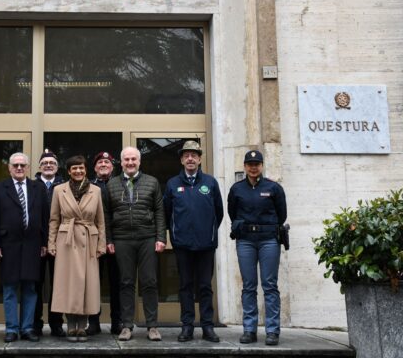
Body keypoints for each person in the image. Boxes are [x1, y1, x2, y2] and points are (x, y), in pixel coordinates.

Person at [163, 140, 223, 343]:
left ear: (199, 159)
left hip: (206, 245)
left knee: (205, 286)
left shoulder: (210, 183)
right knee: (185, 286)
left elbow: (219, 213)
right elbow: (167, 213)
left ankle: (207, 326)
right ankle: (187, 326)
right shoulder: (172, 184)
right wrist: (177, 235)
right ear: (181, 159)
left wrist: (208, 232)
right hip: (183, 246)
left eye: (194, 155)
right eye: (186, 155)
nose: (190, 158)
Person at [105, 146, 166, 342]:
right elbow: (106, 215)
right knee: (125, 283)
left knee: (149, 282)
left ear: (139, 161)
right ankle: (127, 326)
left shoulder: (152, 182)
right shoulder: (112, 184)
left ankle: (152, 326)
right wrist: (109, 240)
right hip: (122, 239)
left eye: (133, 159)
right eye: (126, 159)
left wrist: (160, 238)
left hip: (147, 237)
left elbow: (159, 211)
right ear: (121, 162)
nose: (130, 163)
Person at [0, 152, 50, 343]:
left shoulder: (38, 188)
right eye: (15, 165)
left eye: (23, 165)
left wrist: (45, 242)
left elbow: (45, 218)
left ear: (28, 167)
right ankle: (12, 329)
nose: (19, 168)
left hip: (33, 246)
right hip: (8, 246)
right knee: (10, 289)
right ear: (9, 168)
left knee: (31, 289)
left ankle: (27, 328)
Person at [228, 150, 287, 346]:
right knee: (248, 286)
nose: (253, 167)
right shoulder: (236, 189)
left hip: (268, 240)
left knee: (270, 285)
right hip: (245, 240)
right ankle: (249, 330)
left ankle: (272, 331)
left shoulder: (274, 187)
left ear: (262, 166)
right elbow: (232, 212)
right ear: (245, 166)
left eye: (257, 163)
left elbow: (282, 214)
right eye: (250, 164)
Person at [48, 155, 106, 342]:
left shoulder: (96, 191)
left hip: (89, 240)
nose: (78, 171)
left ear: (86, 169)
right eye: (74, 168)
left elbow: (100, 221)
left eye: (81, 168)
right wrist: (51, 243)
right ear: (69, 171)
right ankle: (71, 326)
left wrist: (101, 244)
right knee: (68, 284)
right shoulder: (59, 190)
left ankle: (83, 326)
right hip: (66, 240)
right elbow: (54, 219)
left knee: (87, 283)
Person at [87, 151, 122, 336]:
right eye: (100, 162)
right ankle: (94, 321)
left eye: (107, 162)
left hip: (117, 241)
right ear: (94, 167)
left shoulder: (120, 185)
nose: (103, 165)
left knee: (117, 283)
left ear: (112, 167)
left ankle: (117, 321)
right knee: (93, 283)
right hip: (93, 242)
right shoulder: (89, 186)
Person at [32, 149, 65, 337]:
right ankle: (36, 324)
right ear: (39, 167)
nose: (48, 165)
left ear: (57, 166)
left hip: (60, 241)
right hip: (36, 242)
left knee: (57, 283)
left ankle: (56, 323)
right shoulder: (31, 185)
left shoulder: (65, 185)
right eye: (45, 163)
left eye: (52, 162)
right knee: (36, 284)